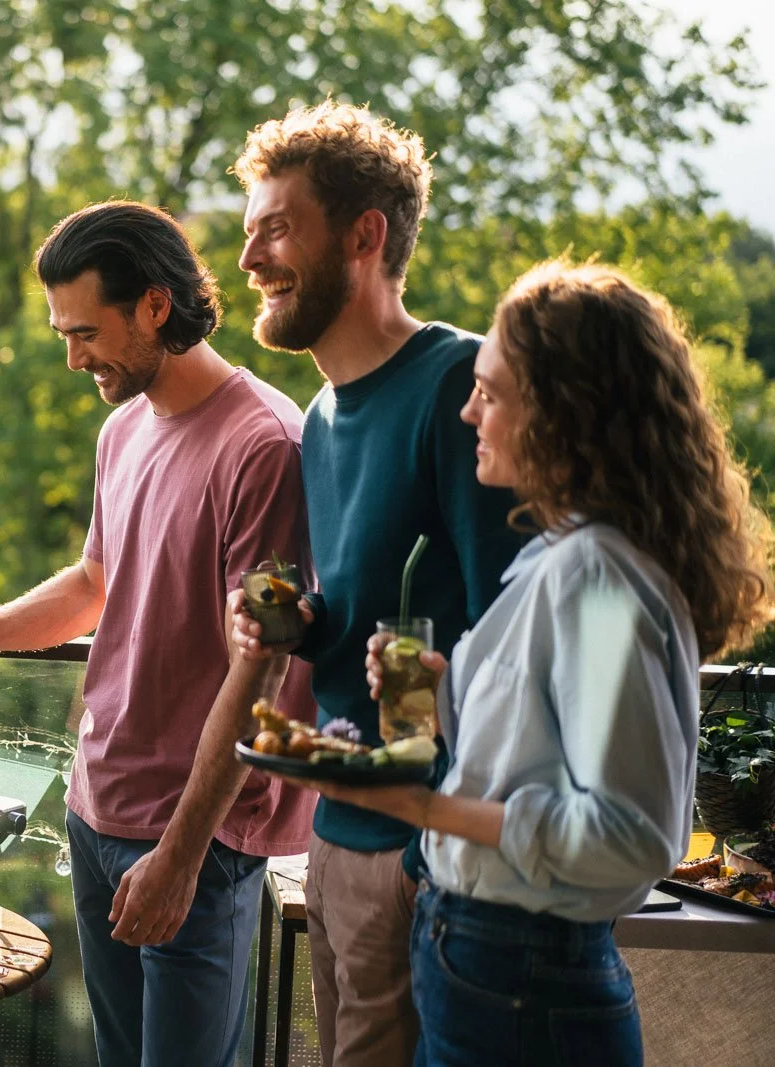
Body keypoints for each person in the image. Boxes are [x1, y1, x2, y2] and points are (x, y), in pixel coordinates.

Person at [290, 262, 775, 1065]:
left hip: (523, 979)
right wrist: (445, 688)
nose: (469, 408)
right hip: (487, 963)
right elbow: (536, 743)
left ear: (566, 411)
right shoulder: (563, 558)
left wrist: (417, 803)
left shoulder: (598, 581)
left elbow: (632, 835)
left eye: (492, 390)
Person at [0, 201, 317, 1066]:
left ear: (156, 304)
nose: (74, 358)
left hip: (197, 837)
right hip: (96, 809)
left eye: (86, 332)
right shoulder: (123, 431)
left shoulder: (265, 446)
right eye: (61, 335)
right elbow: (92, 585)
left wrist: (184, 856)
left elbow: (257, 673)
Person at [228, 102, 526, 1067]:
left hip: (429, 845)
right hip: (339, 828)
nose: (250, 259)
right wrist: (297, 625)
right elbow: (366, 617)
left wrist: (427, 850)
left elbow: (510, 633)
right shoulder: (319, 416)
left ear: (366, 236)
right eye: (249, 231)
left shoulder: (460, 386)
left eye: (276, 228)